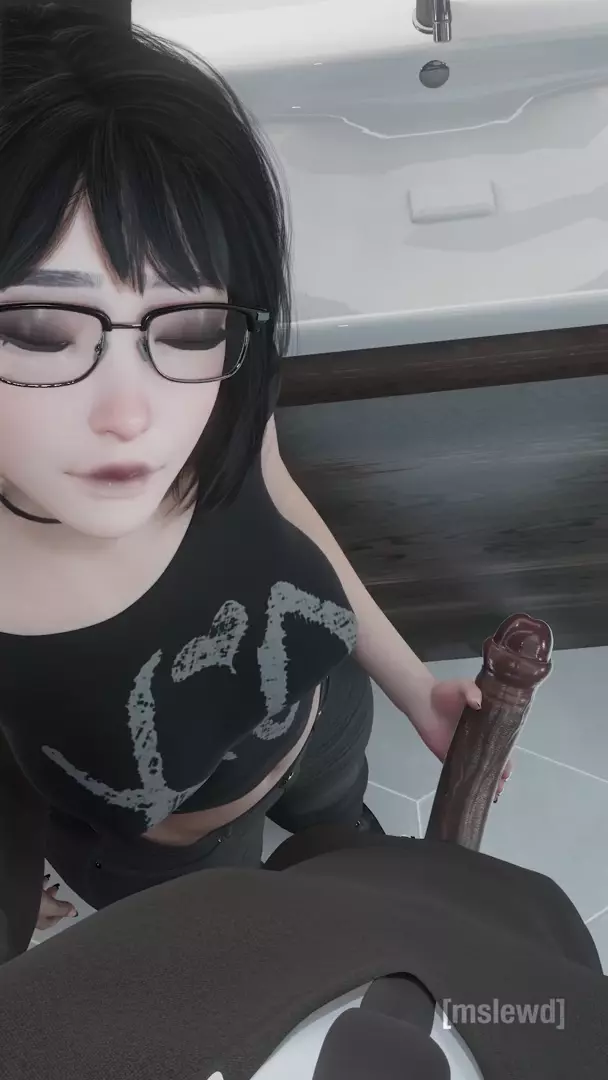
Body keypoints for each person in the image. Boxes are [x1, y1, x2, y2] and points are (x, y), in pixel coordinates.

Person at [0, 5, 506, 958]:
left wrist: (410, 686)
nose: (134, 415)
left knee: (346, 835)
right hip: (178, 857)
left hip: (323, 719)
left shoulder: (220, 389)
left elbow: (283, 502)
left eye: (187, 323)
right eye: (38, 330)